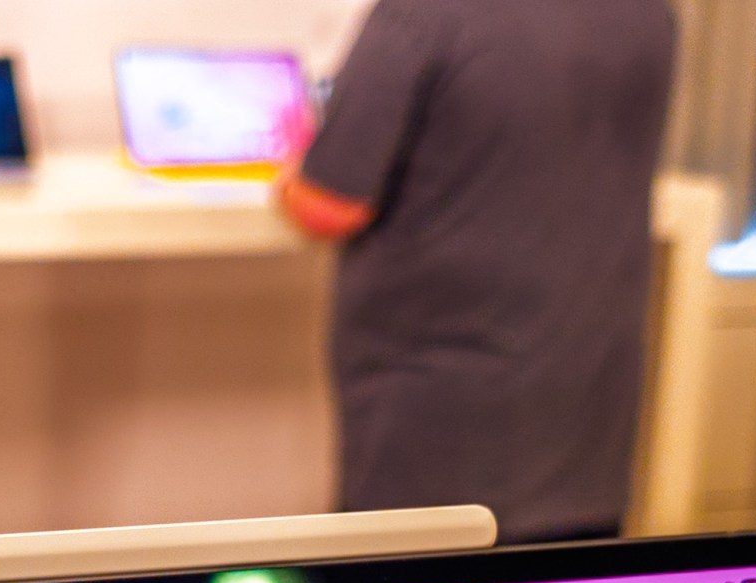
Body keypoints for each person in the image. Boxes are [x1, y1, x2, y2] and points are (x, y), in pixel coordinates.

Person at [280, 0, 676, 544]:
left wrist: (288, 173)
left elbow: (329, 204)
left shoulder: (423, 14)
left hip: (439, 432)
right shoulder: (650, 13)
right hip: (588, 419)